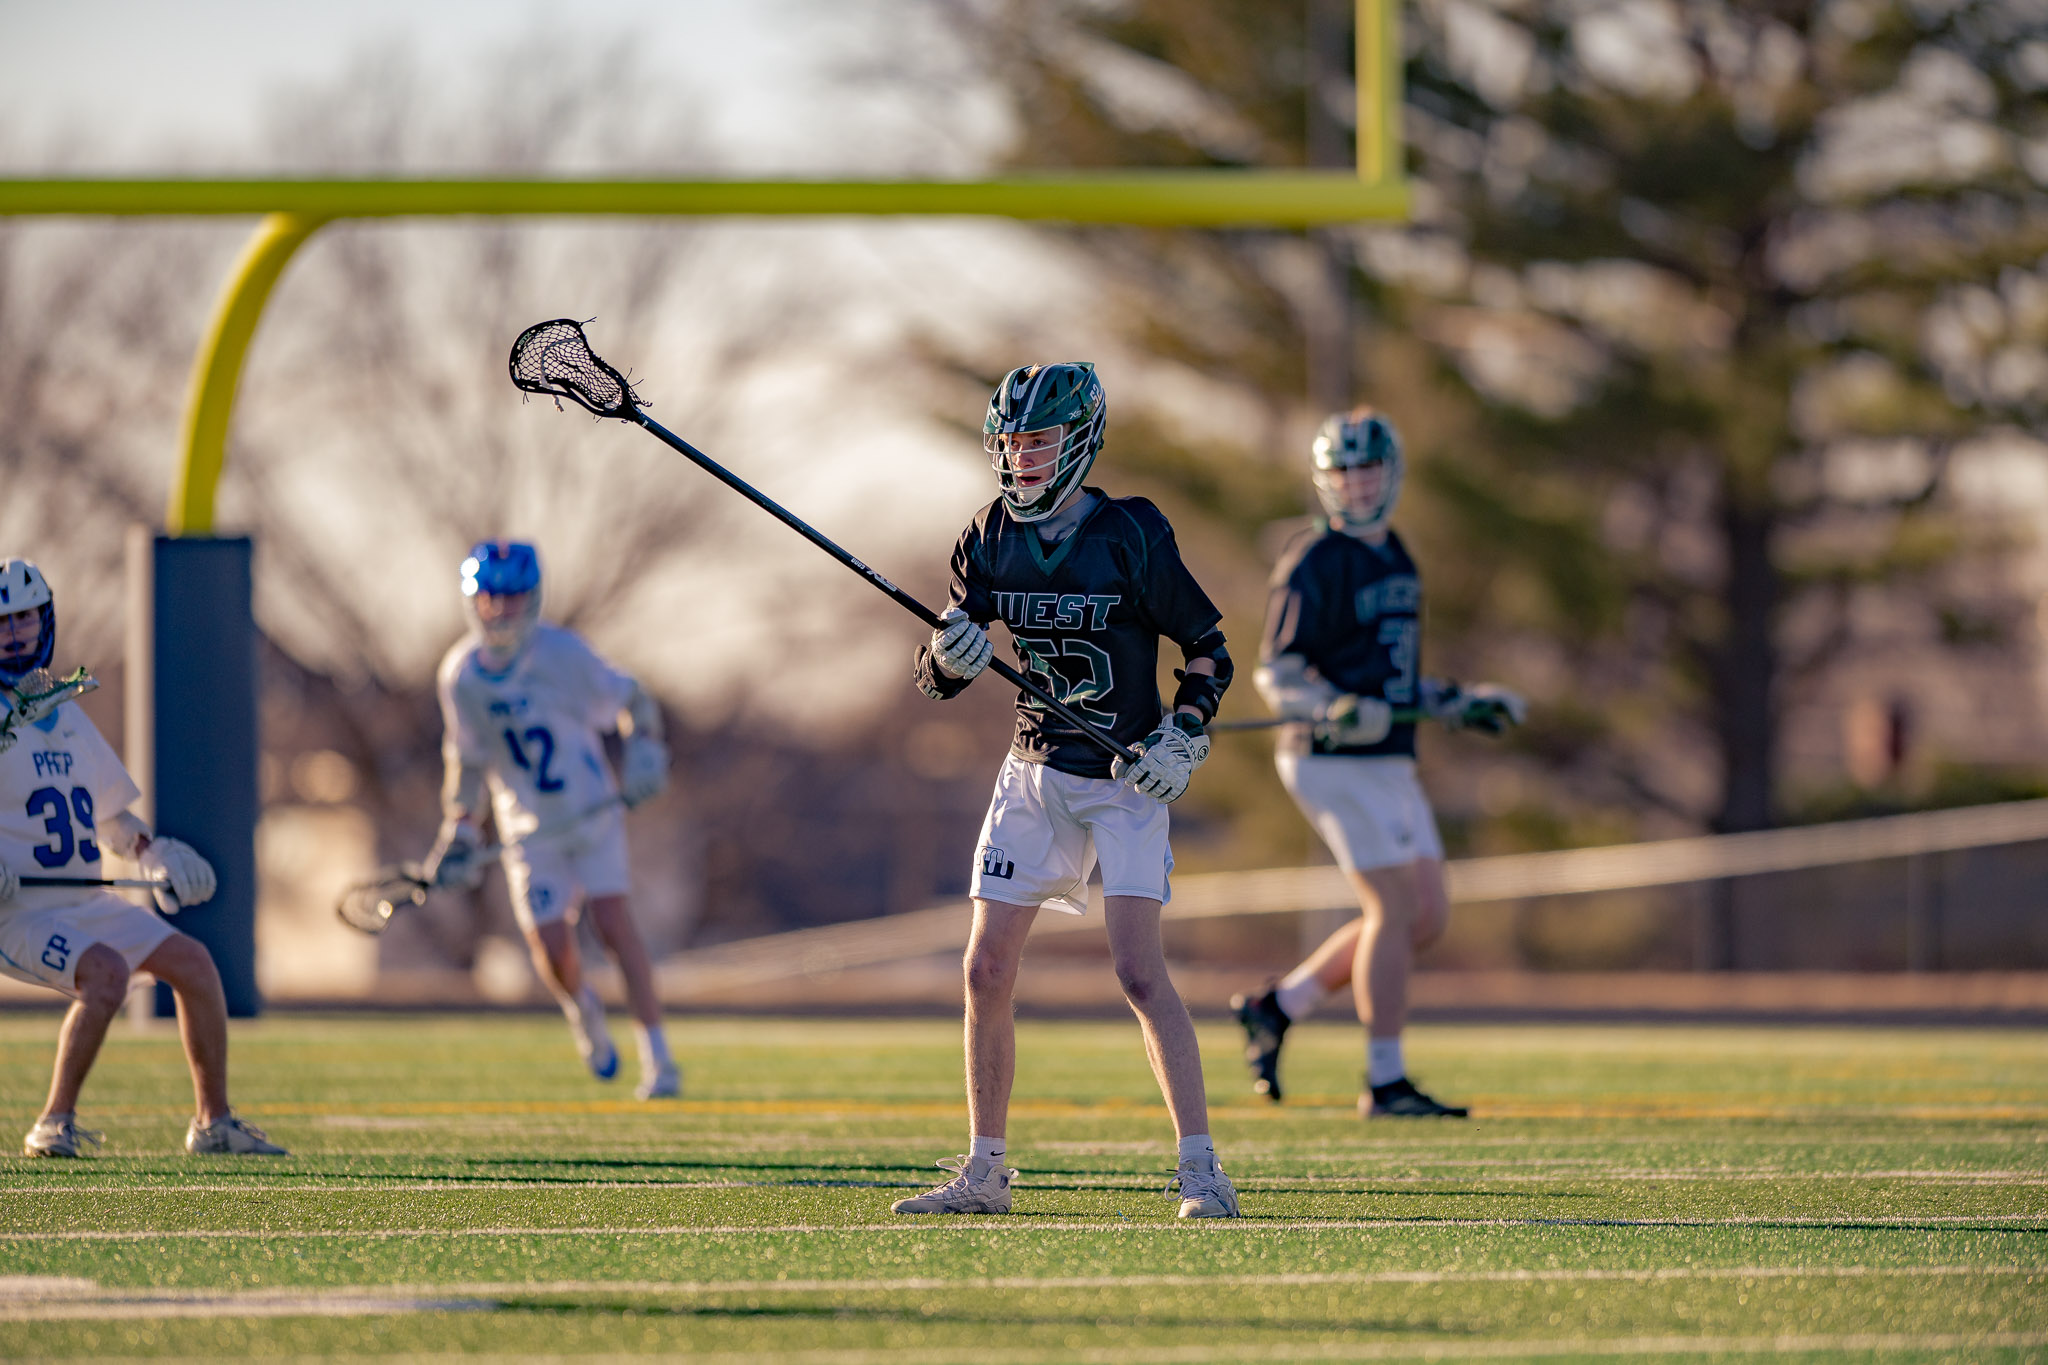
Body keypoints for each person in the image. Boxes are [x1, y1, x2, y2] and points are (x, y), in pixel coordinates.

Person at [892, 362, 1240, 1219]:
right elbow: (937, 675)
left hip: (1124, 778)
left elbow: (1208, 651)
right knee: (984, 967)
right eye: (1012, 441)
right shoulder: (987, 535)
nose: (1023, 457)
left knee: (1138, 972)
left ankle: (1202, 1170)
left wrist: (1183, 735)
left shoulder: (1131, 532)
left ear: (1078, 439)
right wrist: (947, 657)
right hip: (1034, 771)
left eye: (1038, 439)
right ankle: (985, 1171)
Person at [1230, 409, 1523, 1118]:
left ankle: (1281, 1004)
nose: (1357, 485)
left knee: (1424, 916)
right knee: (1392, 907)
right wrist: (1332, 704)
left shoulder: (1397, 554)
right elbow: (1278, 673)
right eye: (1343, 471)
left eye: (1368, 469)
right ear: (1323, 479)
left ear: (1392, 473)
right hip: (1332, 758)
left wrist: (1454, 700)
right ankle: (1385, 1080)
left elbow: (1391, 680)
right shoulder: (1313, 558)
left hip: (1389, 756)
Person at [0, 557, 285, 1158]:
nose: (13, 631)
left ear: (44, 620)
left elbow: (110, 815)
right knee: (106, 974)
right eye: (2, 621)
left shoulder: (63, 713)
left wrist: (152, 851)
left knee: (195, 964)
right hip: (18, 911)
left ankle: (215, 1124)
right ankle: (53, 1122)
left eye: (23, 617)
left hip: (85, 900)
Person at [426, 540, 680, 1099]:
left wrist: (643, 753)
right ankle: (581, 1006)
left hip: (591, 815)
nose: (502, 610)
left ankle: (658, 1057)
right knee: (550, 949)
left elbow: (633, 701)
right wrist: (460, 827)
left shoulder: (564, 655)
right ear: (474, 602)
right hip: (528, 829)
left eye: (513, 597)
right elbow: (466, 760)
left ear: (533, 599)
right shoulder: (461, 675)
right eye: (491, 598)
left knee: (614, 925)